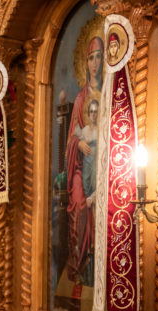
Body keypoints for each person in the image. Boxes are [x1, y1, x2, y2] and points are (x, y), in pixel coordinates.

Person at [63, 36, 103, 287]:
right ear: (85, 63)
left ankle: (101, 266)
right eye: (90, 58)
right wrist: (79, 144)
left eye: (99, 57)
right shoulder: (80, 98)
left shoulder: (111, 94)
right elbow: (70, 139)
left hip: (105, 166)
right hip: (80, 165)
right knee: (78, 204)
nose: (95, 63)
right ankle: (78, 264)